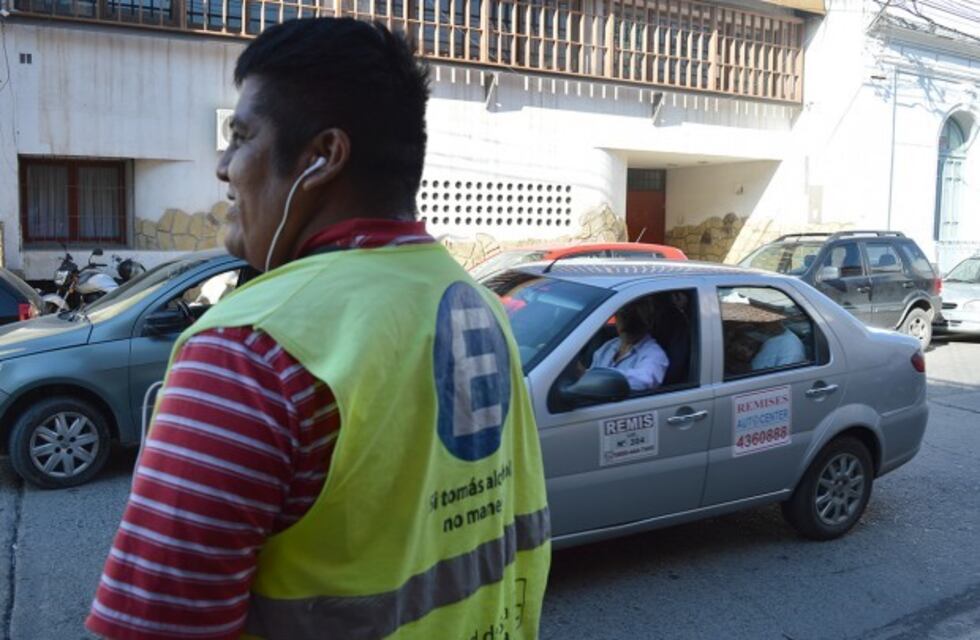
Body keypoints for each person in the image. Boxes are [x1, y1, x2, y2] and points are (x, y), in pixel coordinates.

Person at [86, 18, 550, 640]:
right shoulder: (477, 304)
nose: (224, 167)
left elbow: (151, 629)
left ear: (322, 157)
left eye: (240, 136)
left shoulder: (250, 349)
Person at [589, 298, 669, 392]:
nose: (627, 323)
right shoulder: (609, 346)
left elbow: (644, 381)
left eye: (634, 318)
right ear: (617, 319)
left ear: (648, 322)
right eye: (623, 316)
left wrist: (591, 377)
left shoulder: (655, 354)